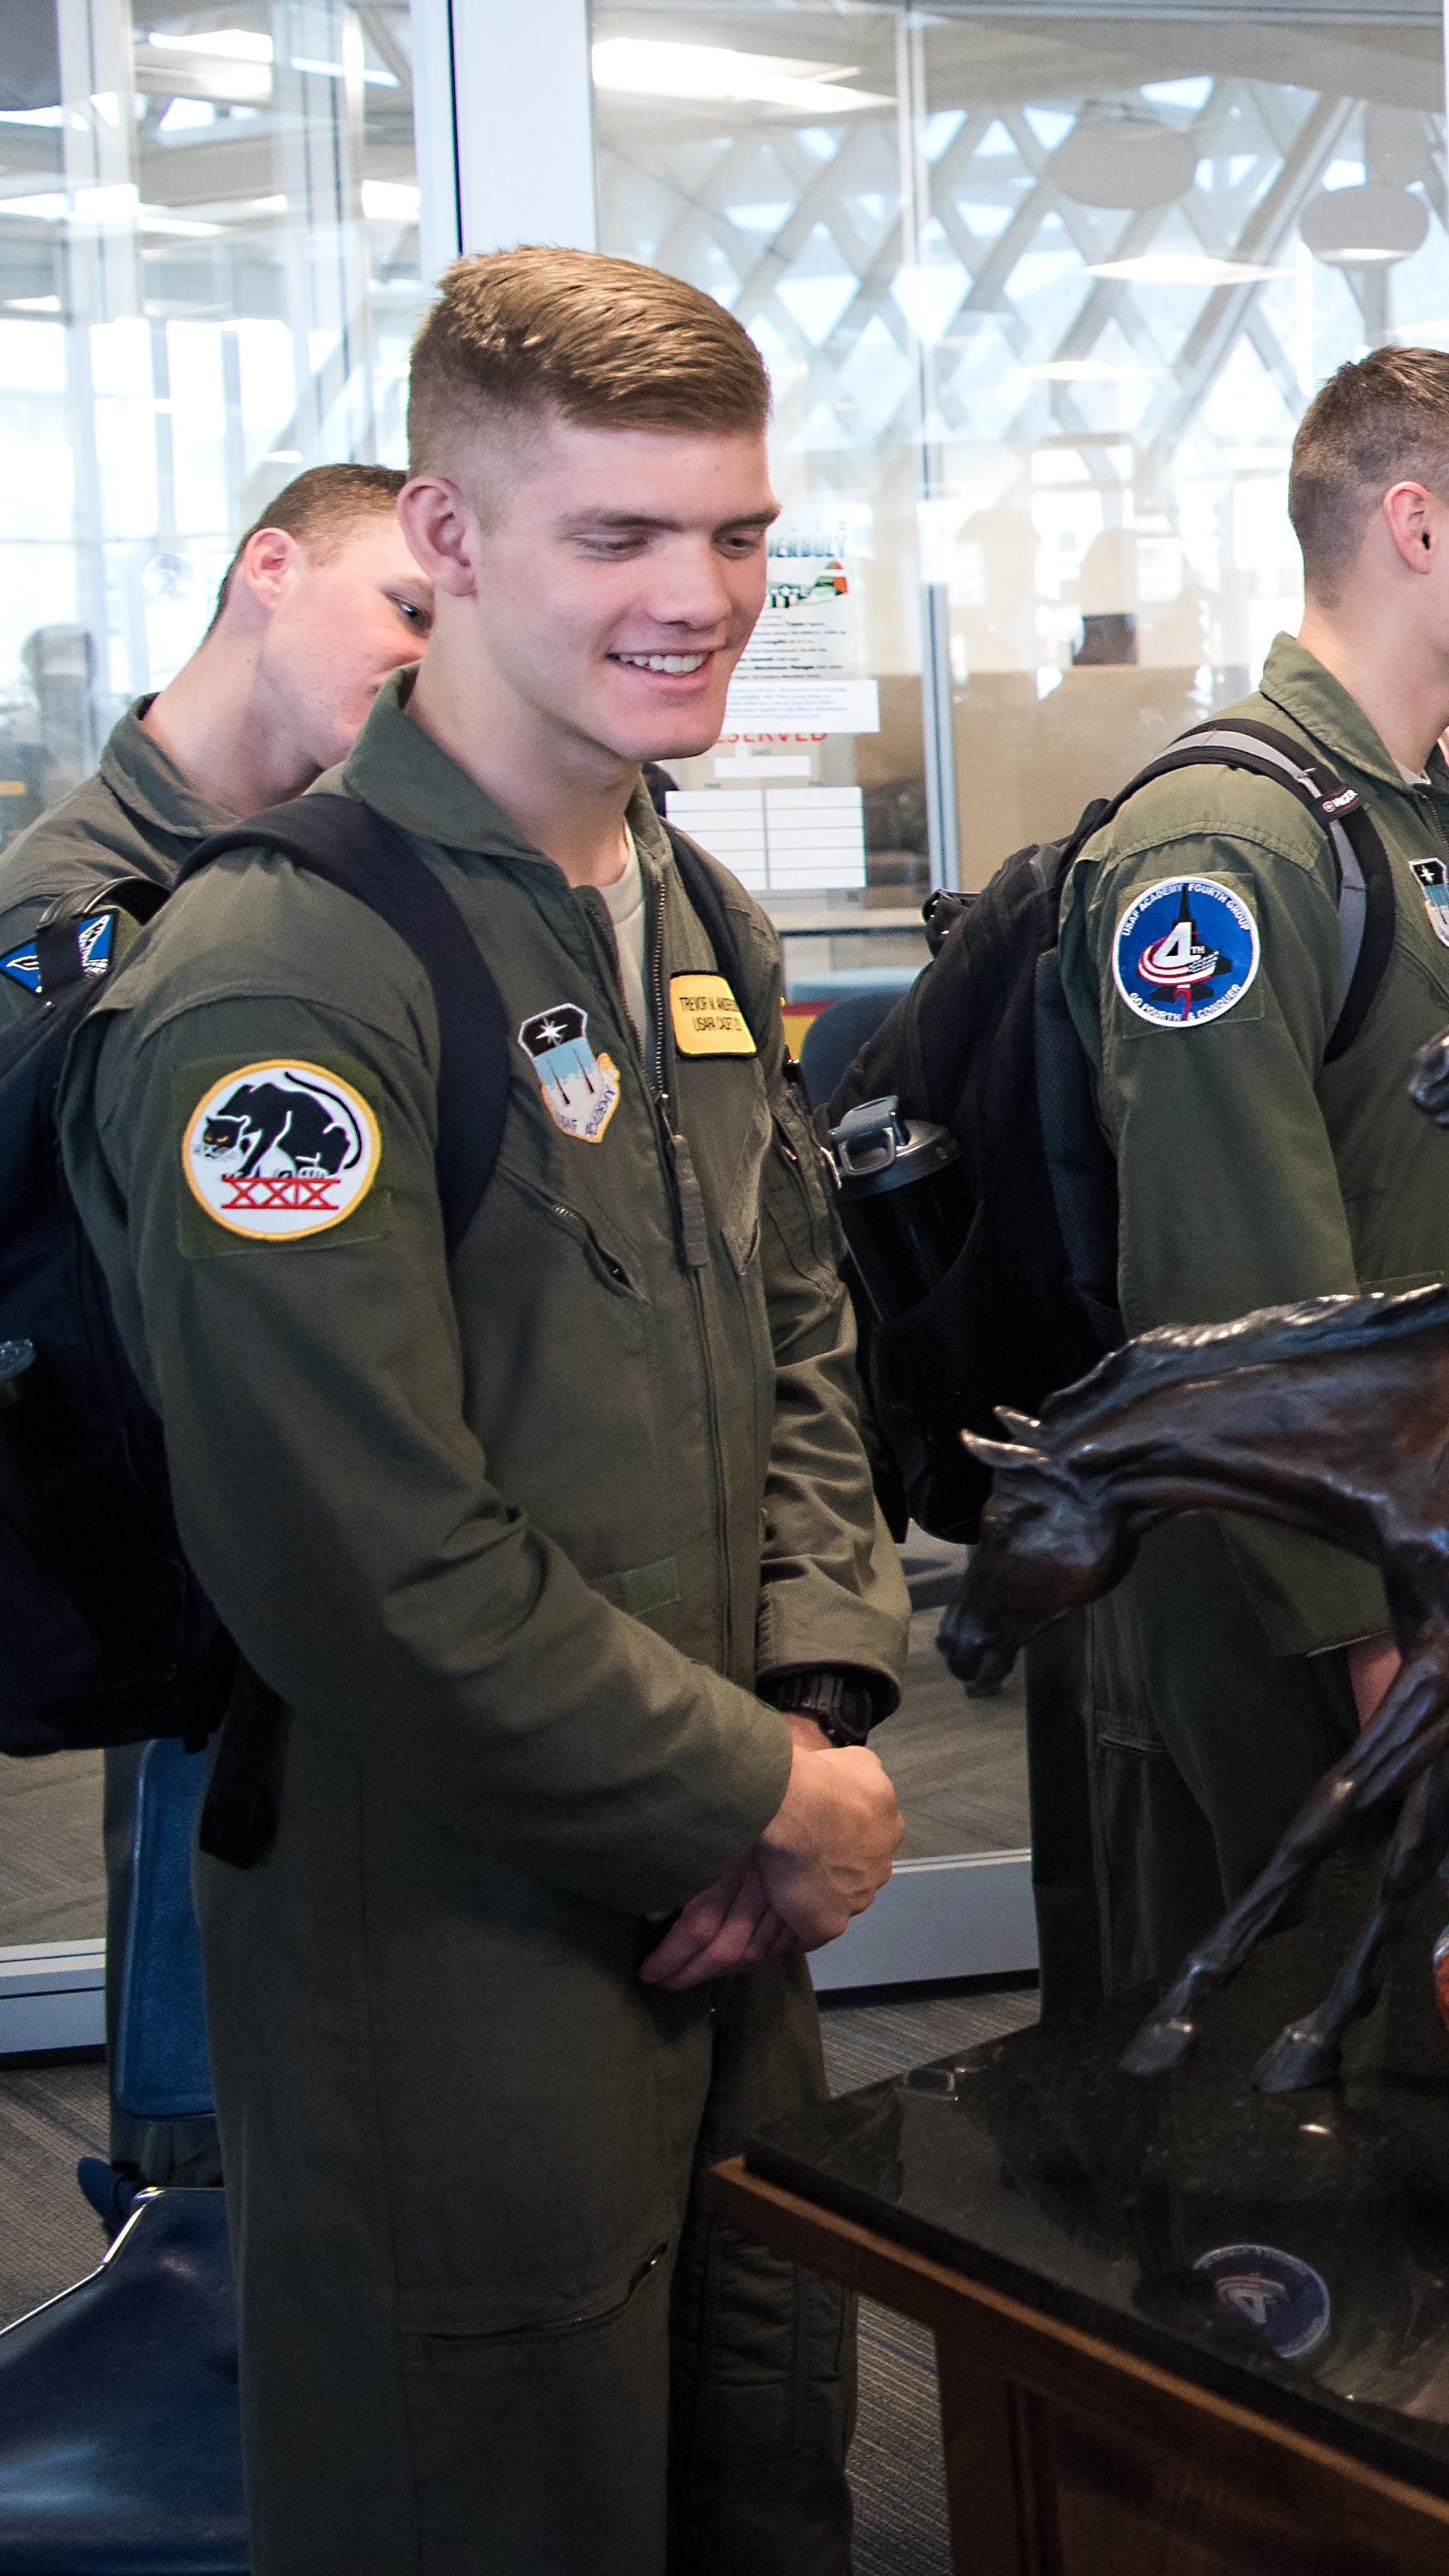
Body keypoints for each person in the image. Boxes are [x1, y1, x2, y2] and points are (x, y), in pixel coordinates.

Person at [66, 248, 912, 2572]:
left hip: (737, 1884)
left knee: (761, 2459)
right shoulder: (280, 975)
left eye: (736, 533)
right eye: (615, 536)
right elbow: (357, 1548)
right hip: (446, 1919)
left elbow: (802, 1336)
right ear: (441, 541)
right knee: (496, 2482)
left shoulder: (689, 907)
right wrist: (746, 1792)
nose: (700, 597)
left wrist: (817, 1699)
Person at [1056, 347, 1449, 1974]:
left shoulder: (1421, 820)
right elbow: (1237, 1285)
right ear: (1415, 528)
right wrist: (1366, 1630)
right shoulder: (1230, 842)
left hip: (1439, 1542)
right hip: (1294, 1604)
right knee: (1298, 2055)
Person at [0, 458, 428, 2198]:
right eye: (404, 601)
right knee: (213, 2154)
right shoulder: (75, 904)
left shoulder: (357, 868)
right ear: (269, 567)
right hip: (184, 1562)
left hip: (353, 1540)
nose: (424, 656)